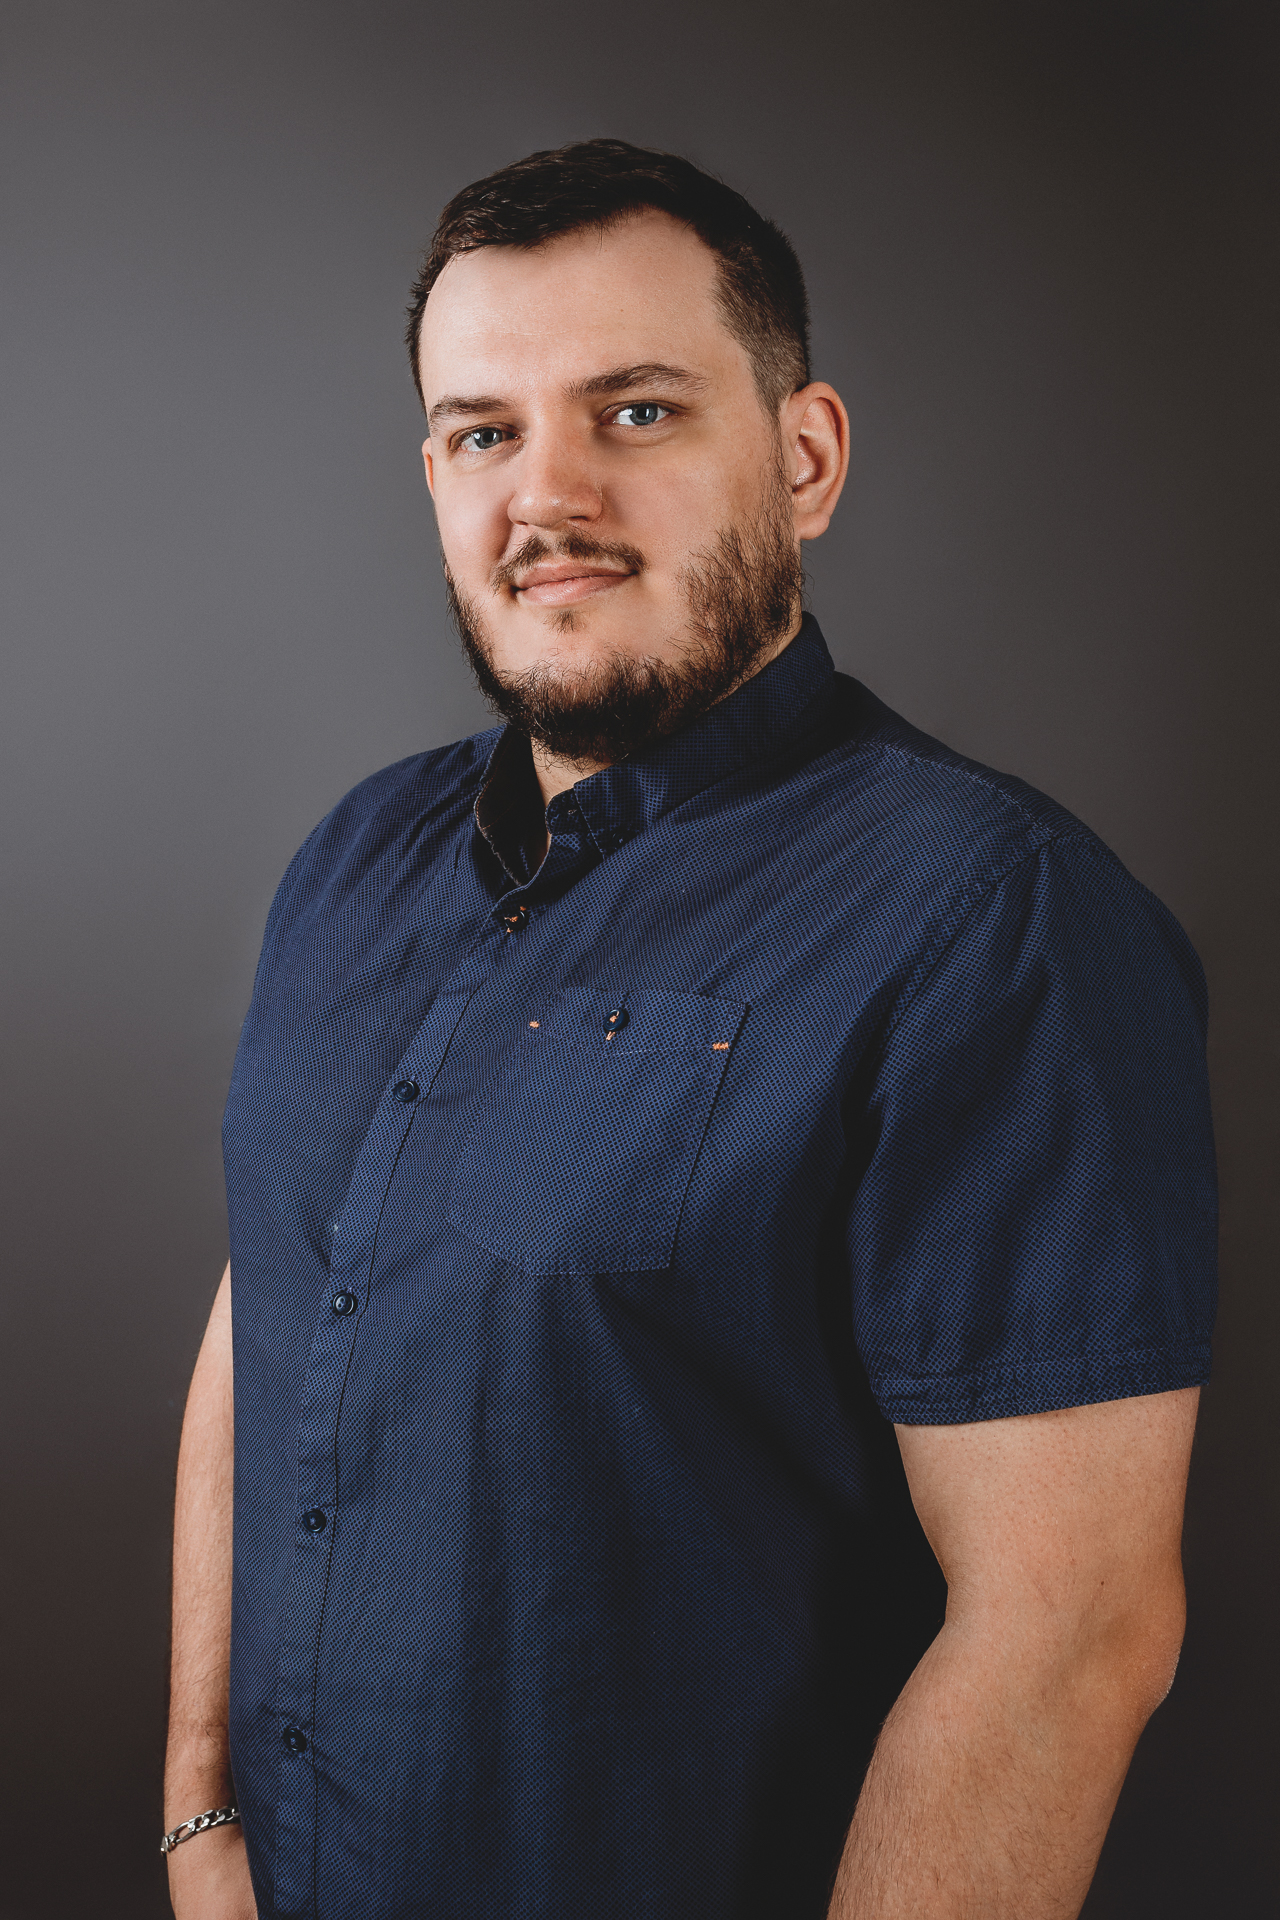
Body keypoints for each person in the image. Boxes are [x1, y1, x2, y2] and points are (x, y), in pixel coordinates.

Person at [164, 140, 1217, 1920]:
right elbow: (272, 1294)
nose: (545, 495)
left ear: (804, 460)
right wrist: (199, 1813)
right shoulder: (352, 860)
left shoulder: (996, 917)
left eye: (635, 412)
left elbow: (1071, 1631)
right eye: (481, 433)